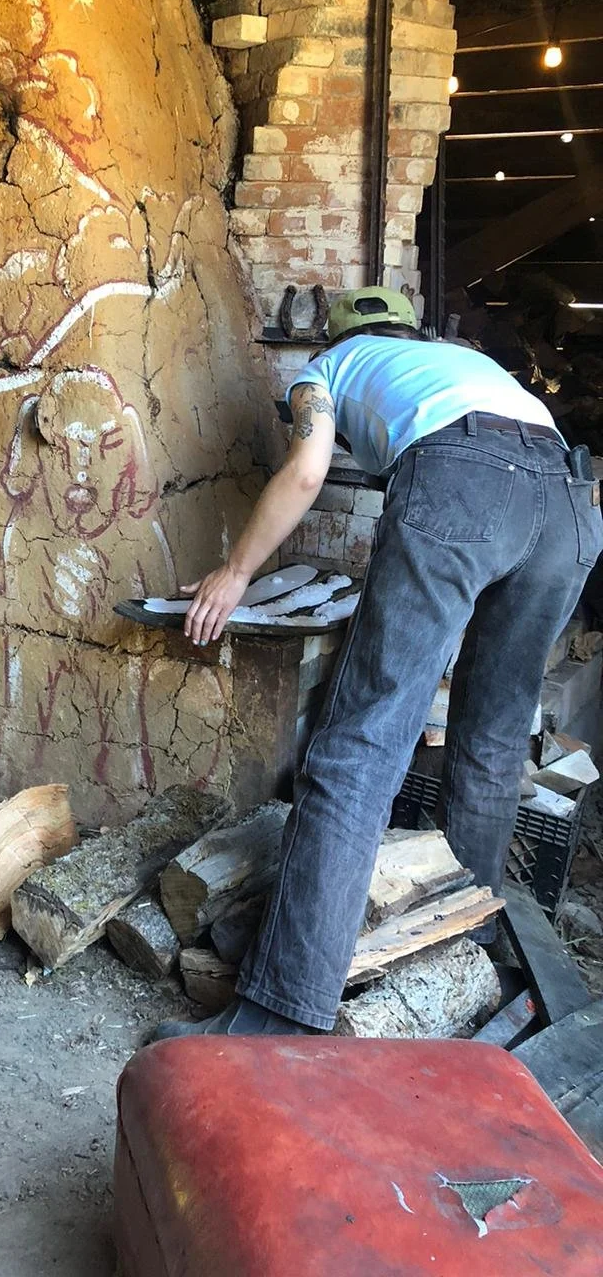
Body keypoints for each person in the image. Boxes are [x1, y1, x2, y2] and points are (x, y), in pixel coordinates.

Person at [161, 286, 603, 1037]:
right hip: (568, 505)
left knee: (357, 750)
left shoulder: (326, 368)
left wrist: (235, 573)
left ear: (331, 339)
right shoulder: (465, 363)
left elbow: (306, 473)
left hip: (465, 484)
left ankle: (276, 1020)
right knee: (492, 748)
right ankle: (463, 960)